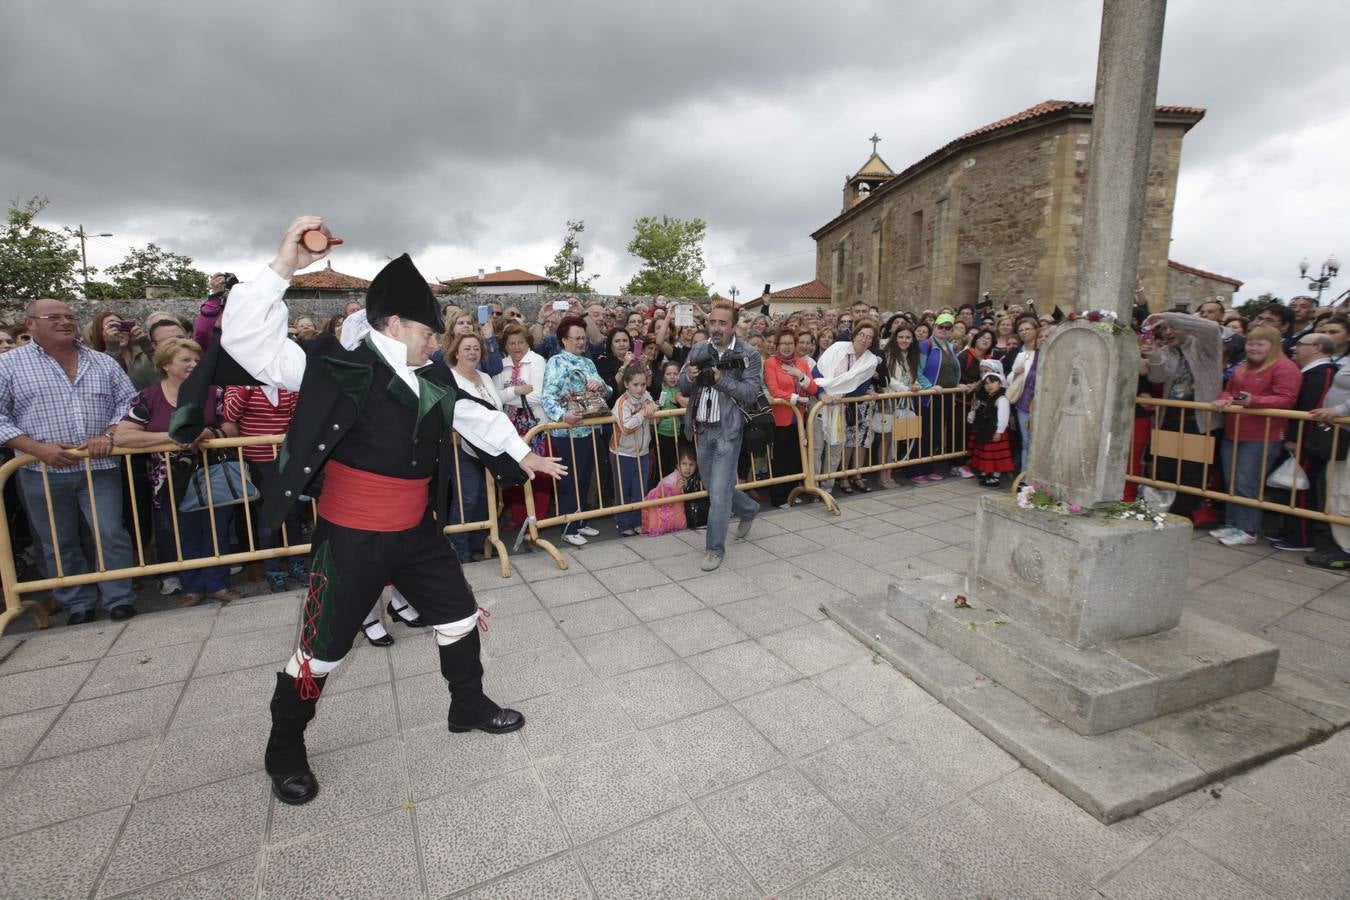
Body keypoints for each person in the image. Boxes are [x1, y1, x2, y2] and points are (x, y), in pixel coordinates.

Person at [217, 216, 565, 806]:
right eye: (431, 332)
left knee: (456, 617)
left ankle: (467, 705)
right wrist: (284, 267)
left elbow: (470, 414)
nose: (439, 342)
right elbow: (245, 341)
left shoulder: (430, 373)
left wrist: (524, 453)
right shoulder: (335, 364)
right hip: (350, 536)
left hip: (417, 532)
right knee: (321, 651)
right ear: (395, 323)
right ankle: (284, 750)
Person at [0, 299, 139, 625]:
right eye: (54, 317)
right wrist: (36, 448)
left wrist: (108, 434)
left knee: (110, 533)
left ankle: (119, 598)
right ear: (31, 323)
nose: (65, 322)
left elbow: (130, 403)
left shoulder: (102, 362)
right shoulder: (10, 365)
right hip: (40, 470)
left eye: (70, 317)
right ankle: (78, 603)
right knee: (58, 541)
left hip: (100, 467)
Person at [116, 338, 243, 606]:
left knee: (216, 528)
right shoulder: (148, 397)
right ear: (165, 364)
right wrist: (174, 437)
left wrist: (209, 433)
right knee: (182, 532)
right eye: (186, 359)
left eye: (197, 360)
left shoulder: (214, 393)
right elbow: (123, 436)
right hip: (170, 480)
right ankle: (192, 587)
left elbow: (232, 428)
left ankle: (218, 583)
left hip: (214, 472)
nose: (193, 364)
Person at [678, 299, 763, 572]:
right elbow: (681, 384)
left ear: (734, 327)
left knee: (718, 494)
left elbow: (750, 394)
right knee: (717, 488)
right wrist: (690, 376)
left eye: (722, 323)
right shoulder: (699, 348)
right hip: (702, 430)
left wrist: (719, 379)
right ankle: (749, 509)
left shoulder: (749, 354)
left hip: (729, 432)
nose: (716, 328)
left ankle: (714, 549)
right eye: (712, 322)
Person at [1209, 325, 1301, 546]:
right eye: (1251, 343)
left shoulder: (1285, 367)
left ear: (1273, 345)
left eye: (1260, 344)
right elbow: (1229, 389)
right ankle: (1233, 523)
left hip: (1263, 434)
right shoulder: (1242, 366)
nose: (1253, 348)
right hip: (1235, 430)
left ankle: (1248, 528)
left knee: (1246, 482)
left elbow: (1287, 398)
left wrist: (1254, 401)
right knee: (1233, 480)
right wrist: (1224, 399)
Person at [222, 382, 306, 593]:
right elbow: (230, 413)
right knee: (267, 519)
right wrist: (248, 388)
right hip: (257, 462)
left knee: (293, 514)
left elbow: (299, 415)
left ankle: (297, 564)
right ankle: (273, 570)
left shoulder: (286, 383)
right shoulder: (238, 384)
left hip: (287, 460)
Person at [1142, 312, 1224, 524]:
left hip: (1198, 420)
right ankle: (1163, 511)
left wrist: (1166, 316)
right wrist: (1154, 355)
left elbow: (1211, 327)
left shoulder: (1204, 346)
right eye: (1163, 329)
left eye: (1172, 328)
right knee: (1165, 469)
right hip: (1171, 417)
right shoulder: (1167, 351)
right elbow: (1157, 377)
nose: (1167, 333)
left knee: (1192, 472)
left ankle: (1182, 516)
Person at [540, 315, 610, 546]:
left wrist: (600, 385)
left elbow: (607, 391)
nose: (581, 342)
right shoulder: (556, 362)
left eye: (584, 337)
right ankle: (568, 526)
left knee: (584, 477)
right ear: (564, 339)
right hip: (567, 433)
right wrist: (562, 416)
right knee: (570, 480)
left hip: (589, 429)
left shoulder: (588, 363)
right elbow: (547, 397)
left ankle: (581, 520)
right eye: (576, 338)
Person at [1268, 333, 1337, 552]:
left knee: (1303, 489)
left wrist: (1297, 439)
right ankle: (1291, 532)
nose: (1294, 348)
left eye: (1300, 344)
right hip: (1300, 440)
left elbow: (1313, 409)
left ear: (1317, 348)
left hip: (1309, 442)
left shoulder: (1324, 373)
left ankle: (1302, 538)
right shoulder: (1310, 372)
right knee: (1294, 488)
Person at [445, 333, 499, 563]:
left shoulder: (486, 376)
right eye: (467, 348)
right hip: (462, 448)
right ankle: (459, 550)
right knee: (466, 498)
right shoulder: (450, 378)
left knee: (485, 498)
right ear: (456, 352)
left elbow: (496, 406)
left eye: (476, 348)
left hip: (488, 448)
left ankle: (480, 544)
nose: (472, 352)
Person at [814, 318, 881, 495]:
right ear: (854, 334)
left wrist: (841, 396)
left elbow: (860, 387)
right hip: (821, 403)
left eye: (869, 337)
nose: (864, 339)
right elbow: (817, 372)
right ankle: (813, 488)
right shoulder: (837, 348)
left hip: (842, 406)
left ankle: (827, 488)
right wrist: (822, 393)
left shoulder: (870, 360)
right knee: (817, 448)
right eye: (861, 335)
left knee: (835, 449)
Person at [493, 321, 550, 530]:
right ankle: (518, 517)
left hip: (535, 426)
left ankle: (539, 519)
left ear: (528, 343)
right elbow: (496, 398)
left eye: (520, 342)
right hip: (510, 427)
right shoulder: (501, 364)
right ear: (505, 346)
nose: (516, 347)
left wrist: (508, 396)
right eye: (511, 343)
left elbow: (537, 397)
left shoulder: (537, 361)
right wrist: (516, 392)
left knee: (539, 471)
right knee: (514, 470)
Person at [763, 329, 821, 508]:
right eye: (783, 343)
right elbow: (774, 390)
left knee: (796, 456)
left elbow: (813, 389)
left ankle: (792, 492)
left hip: (800, 418)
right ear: (777, 345)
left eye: (790, 343)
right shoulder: (771, 363)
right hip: (781, 418)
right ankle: (779, 498)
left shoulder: (802, 363)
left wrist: (800, 375)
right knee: (781, 458)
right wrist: (796, 399)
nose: (787, 347)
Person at [610, 366, 657, 536]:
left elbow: (653, 406)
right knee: (623, 490)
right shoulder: (621, 402)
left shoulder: (646, 396)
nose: (640, 388)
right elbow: (626, 427)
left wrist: (651, 405)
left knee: (639, 489)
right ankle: (623, 524)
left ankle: (638, 521)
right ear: (627, 384)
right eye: (636, 384)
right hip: (622, 453)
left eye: (643, 384)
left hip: (643, 452)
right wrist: (643, 413)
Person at [878, 324, 924, 485]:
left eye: (908, 337)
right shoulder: (889, 355)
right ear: (895, 338)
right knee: (887, 438)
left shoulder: (910, 356)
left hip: (904, 401)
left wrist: (916, 384)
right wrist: (907, 389)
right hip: (890, 400)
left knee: (895, 439)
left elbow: (910, 377)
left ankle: (889, 474)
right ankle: (883, 477)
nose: (904, 340)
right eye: (901, 337)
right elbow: (889, 379)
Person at [968, 370, 1013, 487]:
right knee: (987, 453)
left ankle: (995, 477)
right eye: (987, 384)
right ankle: (987, 472)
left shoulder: (1001, 399)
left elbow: (1003, 417)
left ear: (1000, 383)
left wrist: (999, 431)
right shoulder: (988, 397)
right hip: (987, 430)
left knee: (997, 456)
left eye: (992, 382)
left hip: (996, 431)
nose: (989, 386)